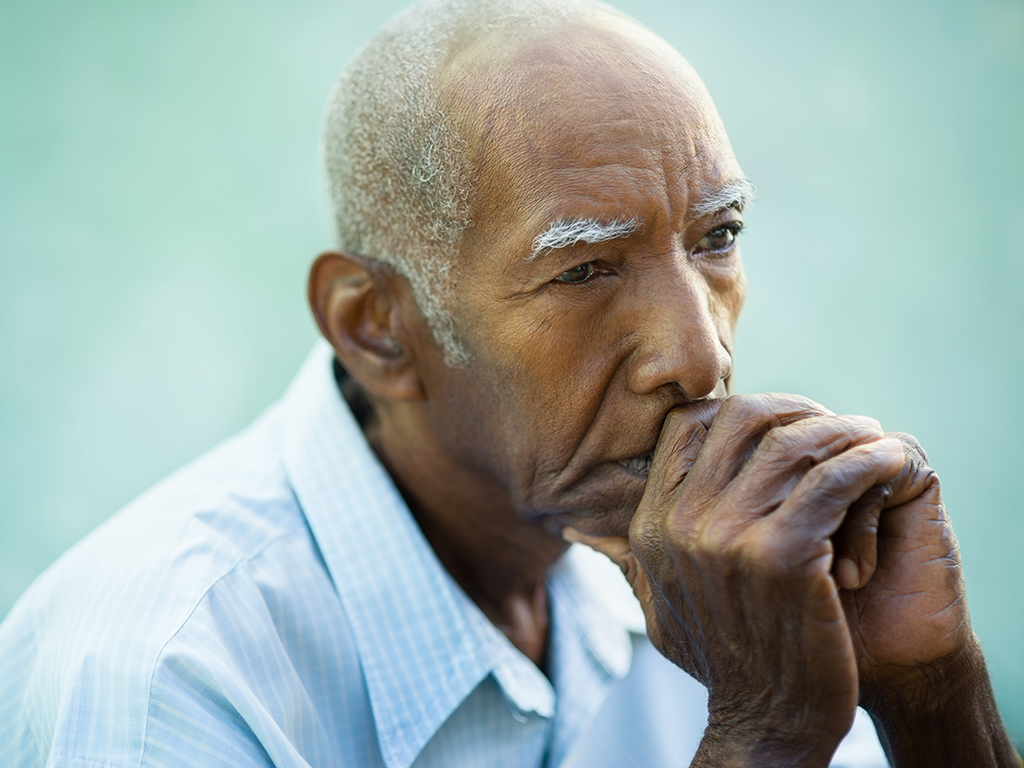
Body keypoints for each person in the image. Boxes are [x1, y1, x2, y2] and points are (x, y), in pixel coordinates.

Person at [0, 0, 1019, 765]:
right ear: (376, 328)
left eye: (716, 238)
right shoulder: (162, 674)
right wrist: (763, 733)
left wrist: (931, 698)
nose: (699, 357)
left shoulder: (731, 577)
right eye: (582, 269)